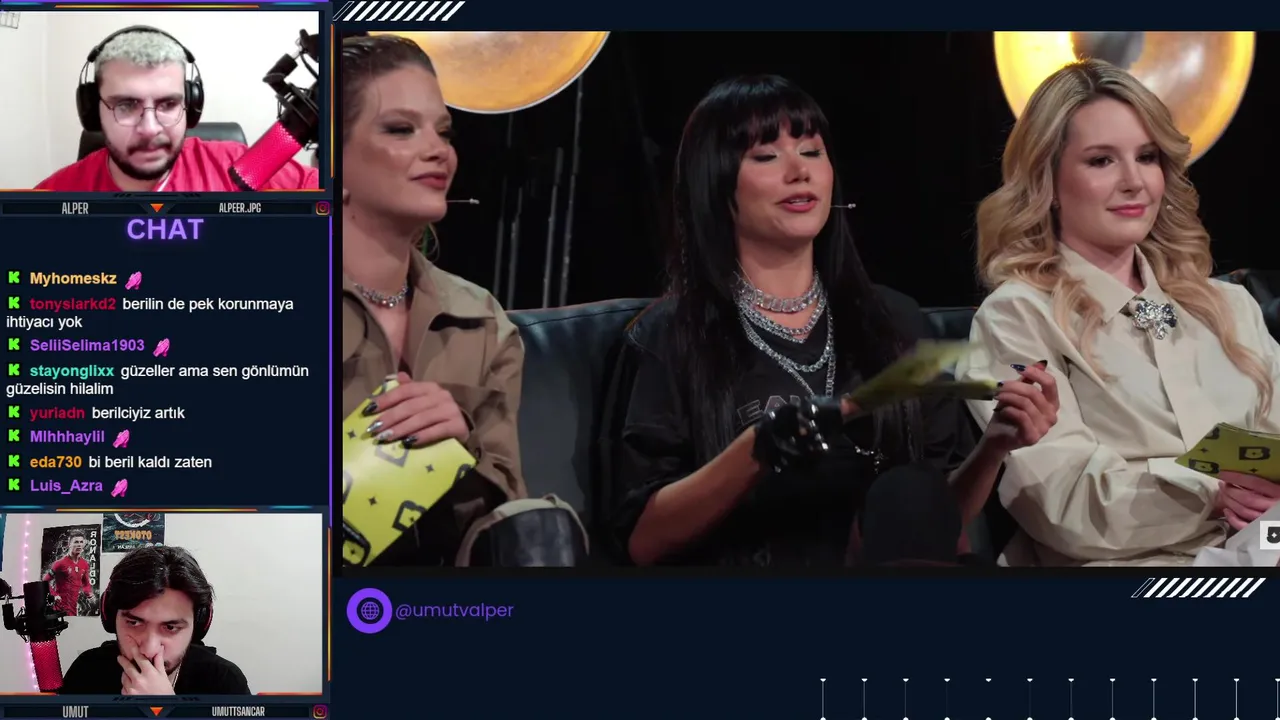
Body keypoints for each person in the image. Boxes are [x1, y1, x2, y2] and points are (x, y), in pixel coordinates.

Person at [605, 75, 1060, 567]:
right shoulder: (669, 337)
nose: (799, 171)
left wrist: (994, 447)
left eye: (811, 152)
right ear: (714, 184)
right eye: (766, 156)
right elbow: (643, 540)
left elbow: (934, 524)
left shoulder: (895, 323)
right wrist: (760, 448)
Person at [956, 59, 1280, 567]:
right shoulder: (1017, 318)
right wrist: (1211, 492)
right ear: (1047, 180)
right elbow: (1063, 503)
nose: (1134, 182)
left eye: (1147, 157)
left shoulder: (1229, 306)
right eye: (1101, 160)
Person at [340, 35, 527, 565]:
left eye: (443, 132)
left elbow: (512, 513)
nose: (438, 150)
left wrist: (461, 445)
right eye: (401, 129)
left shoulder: (483, 320)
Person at [37, 26, 319, 192]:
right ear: (92, 110)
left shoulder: (243, 168)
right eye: (125, 105)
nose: (150, 129)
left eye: (168, 104)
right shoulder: (55, 197)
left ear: (190, 106)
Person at [58, 546, 249, 695]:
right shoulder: (87, 670)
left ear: (198, 625)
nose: (149, 650)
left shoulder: (224, 682)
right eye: (134, 623)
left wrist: (166, 710)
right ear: (111, 616)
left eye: (170, 627)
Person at [44, 531, 92, 617]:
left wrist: (89, 594)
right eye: (76, 542)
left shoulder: (84, 564)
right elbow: (44, 581)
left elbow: (86, 583)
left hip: (73, 609)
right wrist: (54, 595)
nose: (79, 545)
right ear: (69, 544)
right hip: (59, 608)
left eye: (81, 542)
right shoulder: (59, 564)